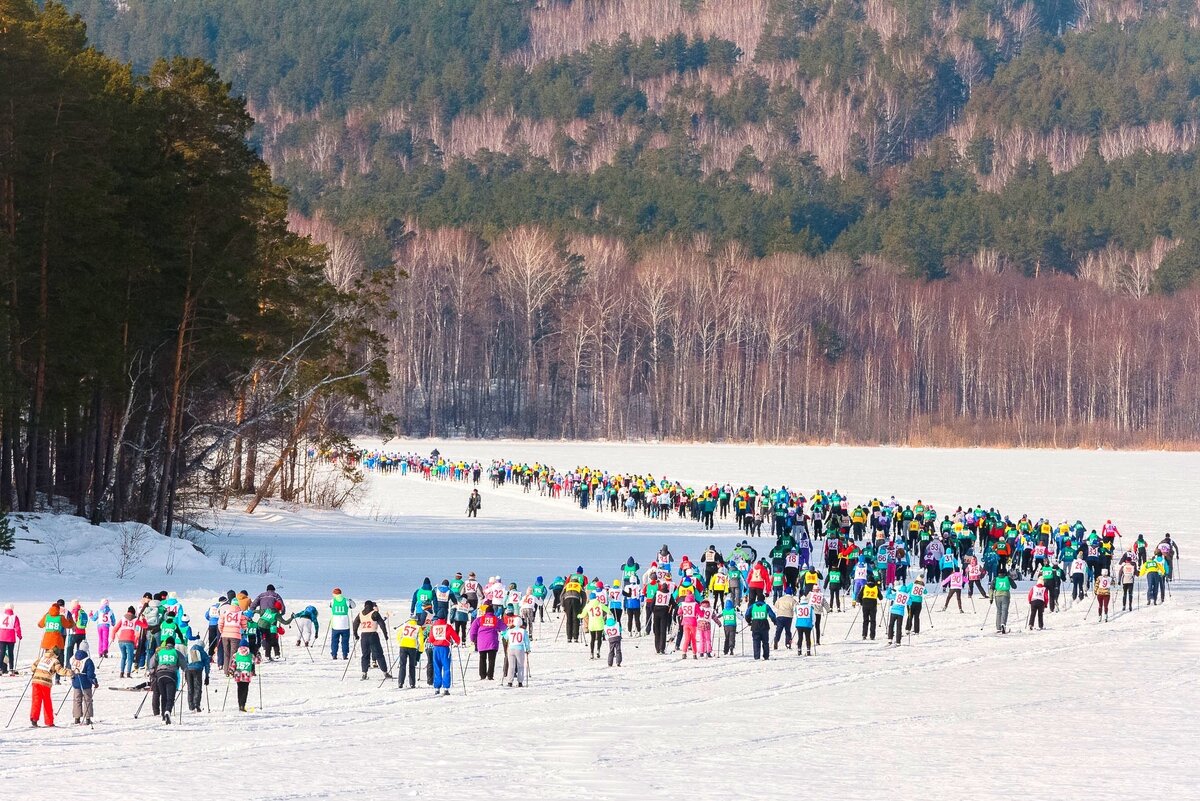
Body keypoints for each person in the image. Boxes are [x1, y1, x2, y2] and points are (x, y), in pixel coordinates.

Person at [148, 636, 187, 724]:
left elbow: (152, 662)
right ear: (173, 644)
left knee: (163, 696)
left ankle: (163, 715)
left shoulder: (160, 652)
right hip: (171, 675)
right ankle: (167, 711)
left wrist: (152, 672)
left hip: (160, 675)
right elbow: (184, 664)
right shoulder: (176, 652)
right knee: (170, 697)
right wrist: (186, 672)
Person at [30, 649, 72, 727]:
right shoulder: (55, 661)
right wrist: (70, 672)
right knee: (47, 702)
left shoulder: (42, 658)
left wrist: (36, 672)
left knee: (36, 700)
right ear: (56, 655)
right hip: (45, 683)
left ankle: (34, 719)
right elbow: (60, 671)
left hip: (35, 681)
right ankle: (49, 722)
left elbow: (33, 667)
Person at [353, 600, 391, 680]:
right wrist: (385, 635)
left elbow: (355, 624)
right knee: (379, 654)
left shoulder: (360, 614)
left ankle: (364, 673)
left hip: (364, 636)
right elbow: (382, 624)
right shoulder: (374, 613)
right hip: (373, 635)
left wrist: (355, 635)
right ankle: (385, 673)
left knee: (365, 655)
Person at [426, 614, 460, 696]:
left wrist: (436, 641)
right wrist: (457, 642)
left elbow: (430, 639)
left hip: (436, 649)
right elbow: (456, 637)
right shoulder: (447, 626)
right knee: (446, 668)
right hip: (445, 649)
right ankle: (446, 688)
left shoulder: (433, 627)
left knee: (437, 668)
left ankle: (437, 688)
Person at [469, 603, 505, 679]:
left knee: (482, 658)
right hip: (492, 641)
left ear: (485, 612)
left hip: (481, 642)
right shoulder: (496, 619)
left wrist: (473, 639)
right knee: (491, 660)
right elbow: (504, 628)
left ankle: (482, 675)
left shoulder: (479, 619)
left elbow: (473, 630)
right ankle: (490, 675)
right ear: (493, 612)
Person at [69, 647, 98, 725]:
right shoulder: (88, 661)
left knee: (77, 699)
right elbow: (90, 674)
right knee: (87, 700)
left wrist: (72, 677)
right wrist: (94, 681)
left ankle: (77, 718)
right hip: (86, 683)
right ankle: (88, 718)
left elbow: (70, 669)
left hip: (76, 681)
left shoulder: (73, 658)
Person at [396, 615, 425, 689]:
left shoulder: (404, 625)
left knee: (402, 665)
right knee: (412, 666)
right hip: (412, 647)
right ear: (416, 620)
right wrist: (421, 649)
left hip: (403, 646)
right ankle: (412, 683)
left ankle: (400, 682)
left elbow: (398, 635)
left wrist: (400, 642)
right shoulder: (418, 627)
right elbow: (421, 640)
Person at [579, 592, 608, 660]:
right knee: (599, 638)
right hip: (600, 623)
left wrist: (578, 616)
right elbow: (607, 610)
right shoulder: (600, 604)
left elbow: (583, 615)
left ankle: (592, 653)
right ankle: (598, 650)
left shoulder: (588, 605)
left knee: (592, 639)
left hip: (592, 624)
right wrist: (609, 613)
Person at [329, 588, 355, 659]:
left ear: (334, 594)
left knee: (334, 641)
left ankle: (334, 654)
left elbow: (330, 606)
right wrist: (351, 601)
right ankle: (345, 655)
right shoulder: (346, 600)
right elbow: (353, 606)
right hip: (345, 624)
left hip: (335, 624)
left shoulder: (332, 600)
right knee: (345, 641)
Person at [504, 616, 529, 687]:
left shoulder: (510, 630)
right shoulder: (523, 631)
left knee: (511, 666)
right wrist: (528, 649)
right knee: (520, 666)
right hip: (520, 649)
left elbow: (505, 637)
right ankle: (520, 682)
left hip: (511, 649)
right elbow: (527, 641)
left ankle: (509, 681)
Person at [230, 644, 256, 712]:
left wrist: (231, 671)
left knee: (239, 689)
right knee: (245, 690)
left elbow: (233, 664)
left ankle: (240, 704)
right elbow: (257, 661)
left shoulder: (236, 655)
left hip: (238, 675)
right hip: (247, 675)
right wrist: (258, 655)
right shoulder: (251, 655)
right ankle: (243, 705)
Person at [992, 567, 1016, 634]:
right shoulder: (1007, 578)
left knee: (999, 611)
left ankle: (998, 627)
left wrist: (991, 598)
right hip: (1005, 595)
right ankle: (1003, 624)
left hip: (997, 596)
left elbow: (991, 588)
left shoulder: (995, 579)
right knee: (1004, 611)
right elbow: (1014, 586)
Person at [1, 604, 21, 675]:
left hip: (2, 636)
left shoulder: (1, 616)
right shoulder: (15, 617)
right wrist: (19, 635)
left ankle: (0, 669)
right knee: (10, 653)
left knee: (2, 653)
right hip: (11, 637)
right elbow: (17, 627)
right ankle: (11, 669)